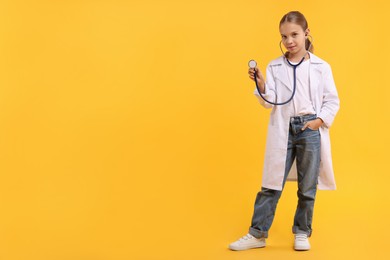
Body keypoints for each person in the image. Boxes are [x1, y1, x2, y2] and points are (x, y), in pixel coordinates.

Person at [229, 11, 340, 251]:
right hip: (283, 127)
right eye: (284, 36)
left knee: (308, 186)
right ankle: (257, 234)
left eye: (294, 35)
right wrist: (261, 84)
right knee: (271, 183)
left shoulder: (322, 67)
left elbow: (332, 101)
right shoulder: (274, 66)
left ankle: (302, 232)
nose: (289, 41)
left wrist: (318, 122)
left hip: (310, 127)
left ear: (306, 33)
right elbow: (271, 101)